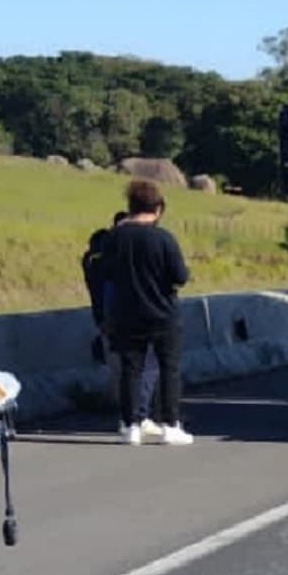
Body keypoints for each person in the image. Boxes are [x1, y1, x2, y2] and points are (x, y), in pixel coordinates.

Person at [100, 181, 193, 445]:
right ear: (158, 208)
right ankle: (171, 425)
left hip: (126, 313)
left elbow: (105, 272)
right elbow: (180, 276)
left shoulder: (115, 238)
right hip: (163, 313)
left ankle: (131, 426)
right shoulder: (163, 238)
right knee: (169, 369)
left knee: (131, 370)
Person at [84, 212, 163, 436]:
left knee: (125, 368)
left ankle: (130, 416)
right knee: (143, 367)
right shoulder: (115, 257)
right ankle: (137, 416)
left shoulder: (97, 257)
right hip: (126, 316)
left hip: (108, 317)